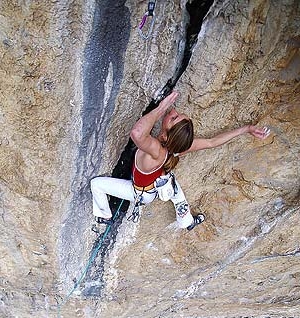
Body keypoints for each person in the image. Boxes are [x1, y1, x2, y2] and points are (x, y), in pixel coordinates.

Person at [90, 91, 270, 230]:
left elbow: (137, 134)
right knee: (176, 193)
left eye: (174, 118)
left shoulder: (156, 151)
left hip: (140, 193)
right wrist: (245, 129)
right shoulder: (178, 149)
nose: (173, 111)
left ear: (168, 132)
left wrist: (161, 108)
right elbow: (211, 142)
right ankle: (186, 221)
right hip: (157, 186)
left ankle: (104, 216)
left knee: (96, 184)